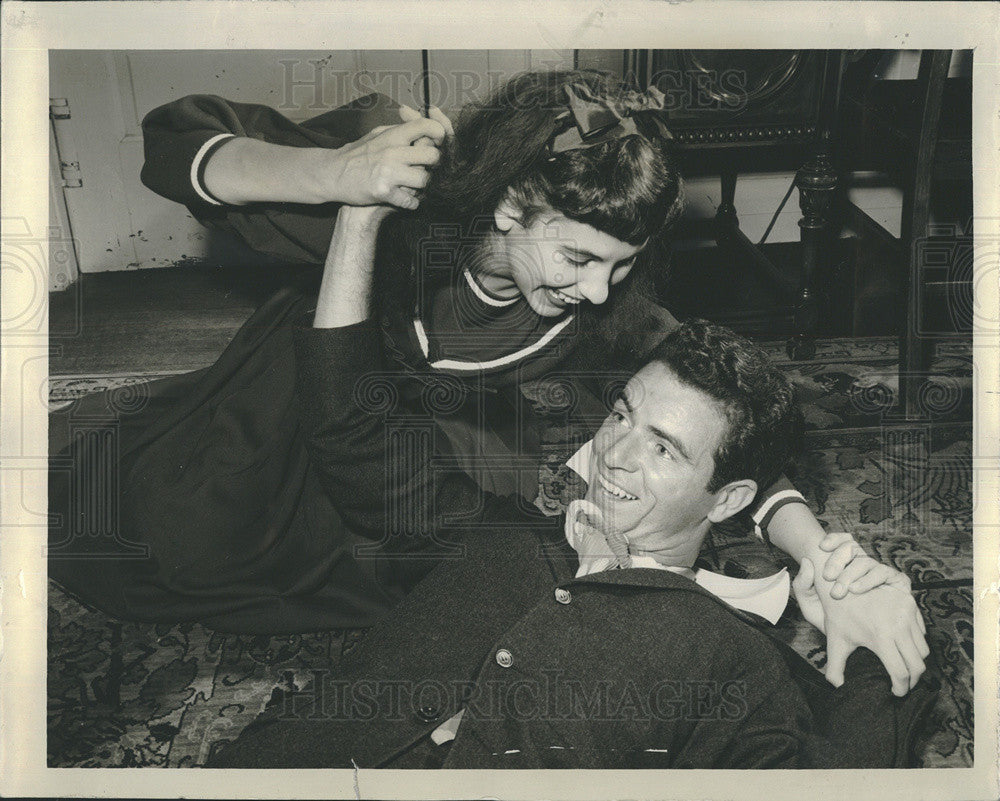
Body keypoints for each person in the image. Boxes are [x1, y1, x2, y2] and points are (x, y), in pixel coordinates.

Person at [49, 69, 924, 696]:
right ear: (511, 208)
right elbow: (172, 144)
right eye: (578, 255)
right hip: (284, 405)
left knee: (456, 586)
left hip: (394, 464)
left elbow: (730, 439)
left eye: (620, 267)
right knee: (161, 545)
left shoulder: (607, 313)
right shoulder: (401, 178)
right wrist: (339, 176)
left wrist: (825, 558)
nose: (595, 291)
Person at [205, 251, 935, 767]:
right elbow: (352, 441)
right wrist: (357, 219)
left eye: (664, 450)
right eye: (620, 414)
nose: (615, 453)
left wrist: (875, 638)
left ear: (732, 499)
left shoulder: (726, 653)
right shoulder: (501, 537)